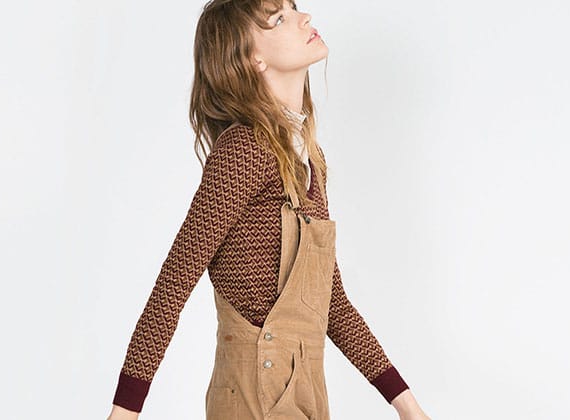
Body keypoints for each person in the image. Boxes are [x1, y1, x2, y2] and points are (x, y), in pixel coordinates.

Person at [107, 0, 431, 419]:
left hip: (306, 392)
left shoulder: (309, 161)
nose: (304, 17)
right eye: (279, 19)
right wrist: (124, 412)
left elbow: (331, 303)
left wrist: (407, 406)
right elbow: (174, 282)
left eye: (294, 8)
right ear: (252, 58)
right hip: (253, 396)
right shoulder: (244, 149)